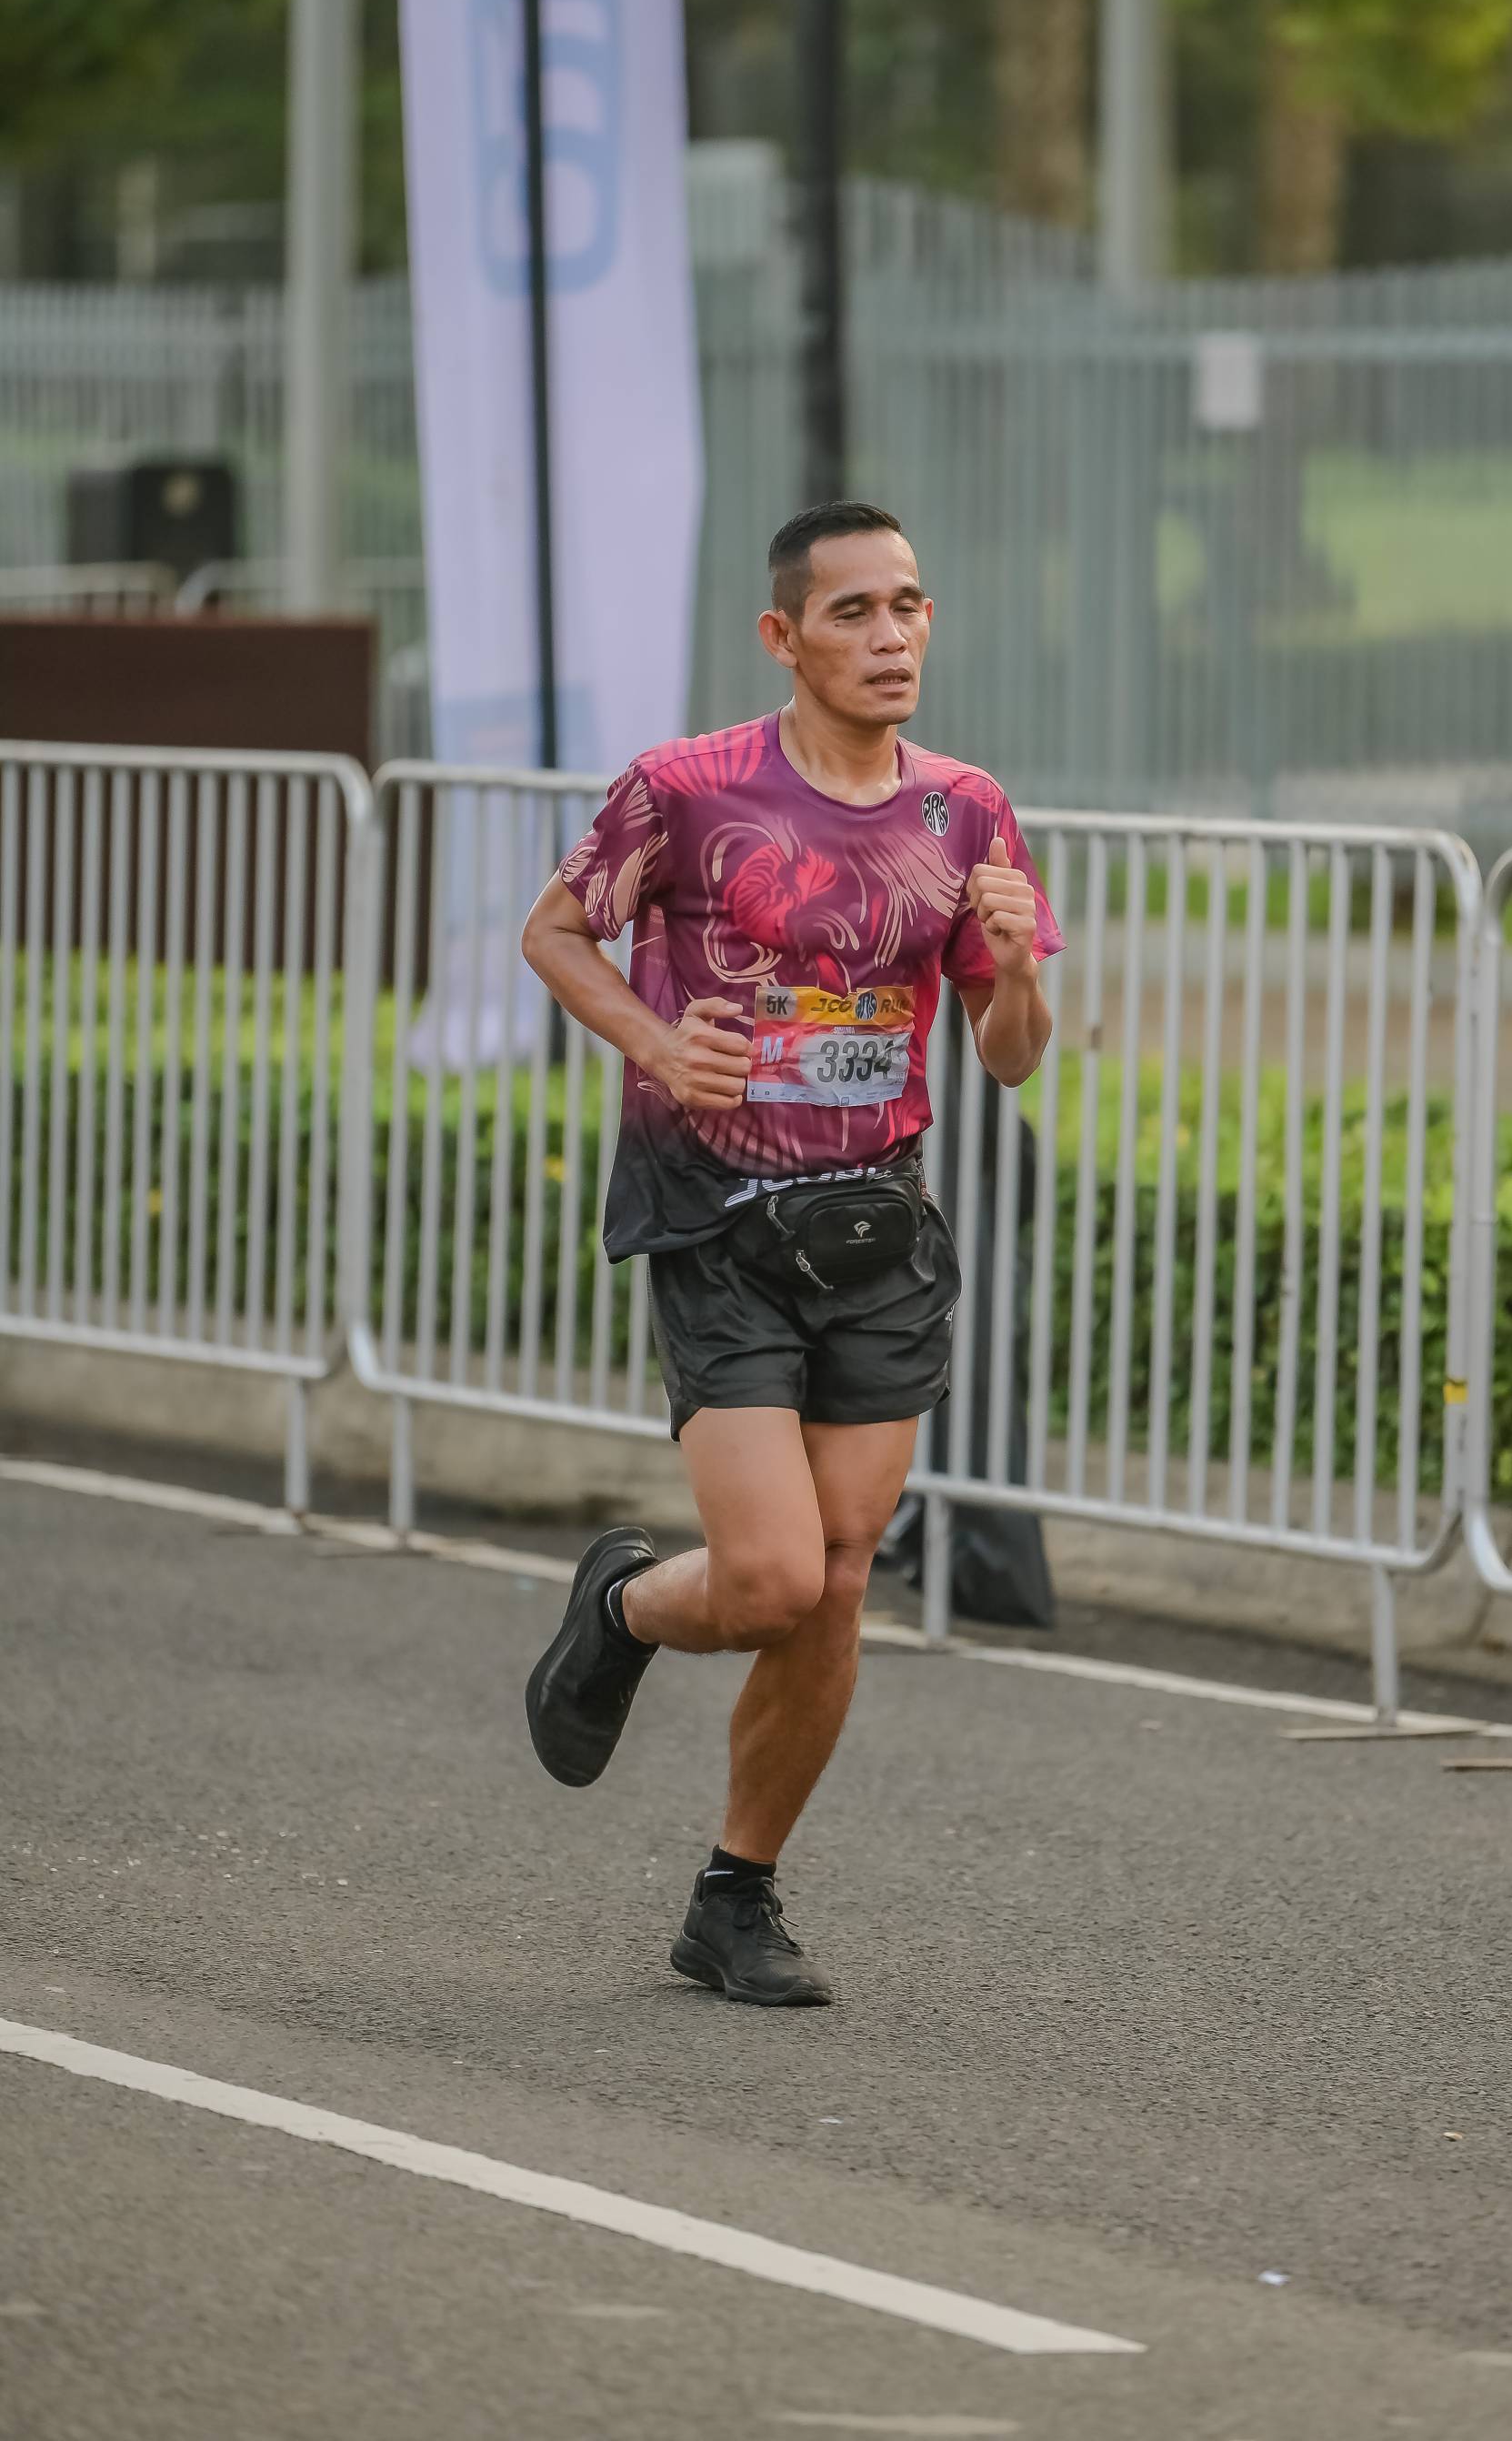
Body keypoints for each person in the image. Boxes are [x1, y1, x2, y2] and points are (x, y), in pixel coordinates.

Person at [518, 500, 1061, 2008]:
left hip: (878, 1230)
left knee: (833, 1580)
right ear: (784, 635)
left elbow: (1010, 1055)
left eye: (910, 605)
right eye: (853, 612)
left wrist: (1017, 964)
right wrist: (652, 1040)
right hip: (718, 1217)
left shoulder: (966, 811)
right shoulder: (687, 790)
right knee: (766, 1578)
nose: (892, 636)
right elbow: (554, 933)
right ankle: (624, 1606)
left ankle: (734, 1895)